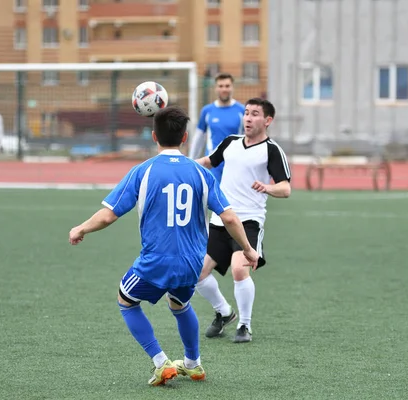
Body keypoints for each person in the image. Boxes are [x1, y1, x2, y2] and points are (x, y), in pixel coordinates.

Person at [68, 106, 259, 386]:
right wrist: (247, 248)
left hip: (156, 261)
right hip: (192, 262)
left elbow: (109, 214)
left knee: (127, 300)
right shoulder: (201, 173)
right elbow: (229, 216)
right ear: (184, 138)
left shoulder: (143, 171)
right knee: (179, 303)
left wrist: (81, 227)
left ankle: (161, 362)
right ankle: (193, 364)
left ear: (154, 136)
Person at [195, 98, 292, 343]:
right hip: (220, 219)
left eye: (255, 114)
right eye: (246, 113)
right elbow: (208, 161)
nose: (248, 118)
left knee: (239, 269)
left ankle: (244, 325)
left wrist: (267, 188)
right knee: (197, 274)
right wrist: (181, 164)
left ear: (267, 121)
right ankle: (224, 312)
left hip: (248, 222)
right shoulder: (230, 143)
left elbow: (285, 188)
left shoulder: (271, 150)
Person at [188, 73, 245, 182]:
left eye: (227, 86)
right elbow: (198, 138)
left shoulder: (242, 110)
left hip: (235, 163)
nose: (224, 89)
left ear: (232, 87)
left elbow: (248, 138)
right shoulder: (207, 111)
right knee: (212, 197)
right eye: (221, 86)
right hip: (212, 164)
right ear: (216, 88)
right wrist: (191, 161)